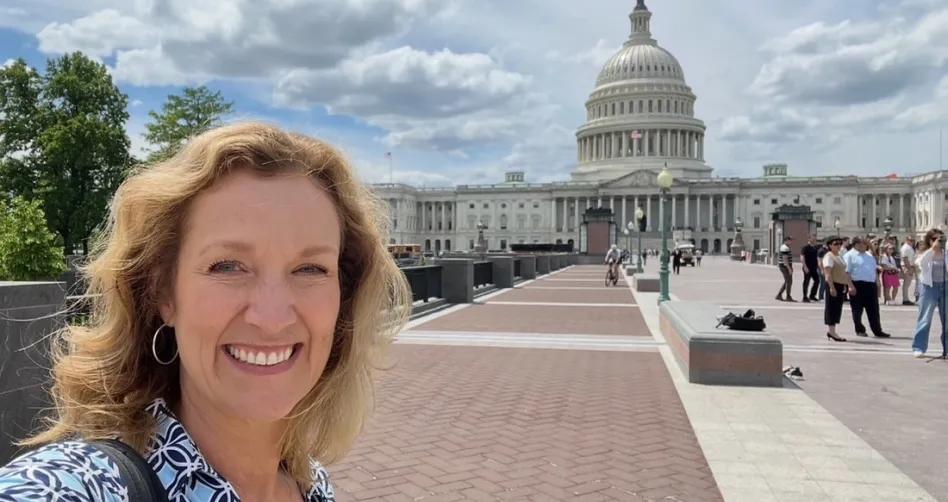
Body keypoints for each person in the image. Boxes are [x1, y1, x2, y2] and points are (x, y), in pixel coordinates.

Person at [0, 123, 412, 500]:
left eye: (310, 268)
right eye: (227, 266)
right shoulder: (88, 485)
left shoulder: (312, 485)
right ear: (164, 292)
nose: (272, 318)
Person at [843, 236, 891, 338]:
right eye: (863, 243)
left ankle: (877, 330)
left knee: (874, 310)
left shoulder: (869, 255)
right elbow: (846, 272)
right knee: (857, 310)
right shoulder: (849, 255)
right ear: (856, 244)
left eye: (866, 244)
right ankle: (860, 329)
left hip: (870, 285)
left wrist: (877, 282)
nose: (865, 246)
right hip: (857, 284)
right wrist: (850, 286)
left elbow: (874, 269)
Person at [911, 229, 948, 358]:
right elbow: (920, 263)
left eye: (940, 239)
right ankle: (919, 347)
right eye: (934, 239)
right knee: (925, 318)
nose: (937, 241)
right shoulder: (925, 253)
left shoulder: (946, 252)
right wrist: (932, 249)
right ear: (929, 240)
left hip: (945, 286)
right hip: (929, 287)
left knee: (947, 320)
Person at [823, 237, 855, 342]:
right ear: (830, 245)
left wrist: (846, 285)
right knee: (831, 308)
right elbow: (828, 274)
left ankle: (833, 331)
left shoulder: (839, 256)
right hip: (833, 284)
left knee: (837, 308)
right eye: (835, 243)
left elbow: (843, 272)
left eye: (839, 244)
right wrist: (832, 288)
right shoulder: (829, 256)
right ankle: (831, 331)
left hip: (840, 284)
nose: (838, 245)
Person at [800, 234, 820, 303]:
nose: (814, 239)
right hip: (807, 268)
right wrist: (805, 267)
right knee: (806, 282)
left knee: (817, 280)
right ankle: (805, 297)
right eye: (813, 238)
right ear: (809, 239)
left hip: (814, 268)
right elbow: (802, 257)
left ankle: (812, 295)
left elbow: (816, 258)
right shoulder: (805, 248)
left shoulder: (815, 248)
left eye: (815, 238)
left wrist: (818, 267)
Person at [775, 237, 795, 302]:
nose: (791, 242)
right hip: (784, 267)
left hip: (784, 266)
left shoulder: (785, 247)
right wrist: (789, 268)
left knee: (787, 281)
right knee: (789, 281)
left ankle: (779, 295)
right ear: (786, 241)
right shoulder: (785, 248)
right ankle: (788, 296)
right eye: (790, 241)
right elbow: (785, 259)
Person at [901, 236, 917, 306]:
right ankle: (905, 299)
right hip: (907, 266)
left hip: (909, 266)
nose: (912, 241)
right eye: (910, 240)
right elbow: (905, 259)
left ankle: (906, 298)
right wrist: (909, 269)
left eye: (913, 240)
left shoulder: (909, 247)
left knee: (907, 284)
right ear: (907, 240)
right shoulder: (906, 247)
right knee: (906, 284)